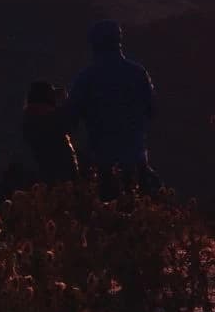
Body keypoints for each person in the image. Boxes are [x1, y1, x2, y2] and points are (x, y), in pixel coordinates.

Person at [66, 21, 159, 199]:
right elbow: (152, 110)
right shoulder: (138, 73)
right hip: (136, 158)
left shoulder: (86, 78)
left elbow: (71, 118)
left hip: (102, 163)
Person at [23, 81, 80, 185]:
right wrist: (66, 102)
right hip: (59, 180)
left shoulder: (31, 119)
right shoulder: (47, 118)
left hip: (47, 179)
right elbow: (70, 121)